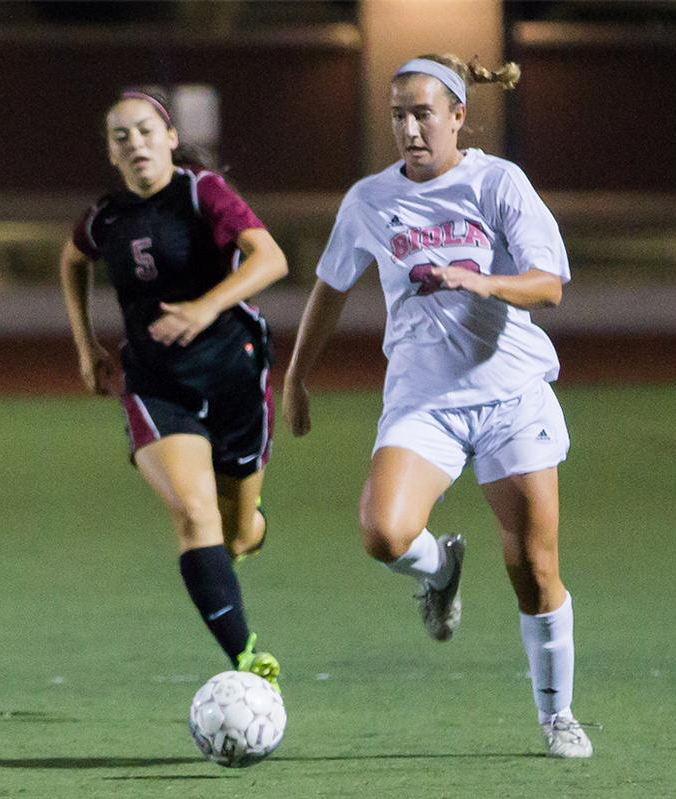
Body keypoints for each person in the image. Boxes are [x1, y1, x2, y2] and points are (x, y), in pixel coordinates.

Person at [283, 54, 594, 756]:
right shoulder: (368, 199)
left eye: (423, 113)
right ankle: (440, 569)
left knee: (534, 568)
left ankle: (556, 714)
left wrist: (480, 282)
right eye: (397, 114)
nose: (410, 128)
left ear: (458, 115)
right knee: (384, 533)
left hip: (510, 396)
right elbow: (330, 287)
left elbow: (548, 286)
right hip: (425, 400)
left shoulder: (498, 182)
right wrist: (297, 376)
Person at [60, 90, 288, 689]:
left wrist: (204, 308)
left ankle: (250, 529)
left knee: (237, 533)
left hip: (235, 373)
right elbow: (71, 258)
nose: (134, 143)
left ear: (167, 137)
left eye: (143, 131)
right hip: (157, 385)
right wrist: (86, 347)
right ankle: (246, 657)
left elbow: (270, 258)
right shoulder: (104, 218)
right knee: (193, 512)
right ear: (111, 153)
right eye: (120, 136)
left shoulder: (201, 191)